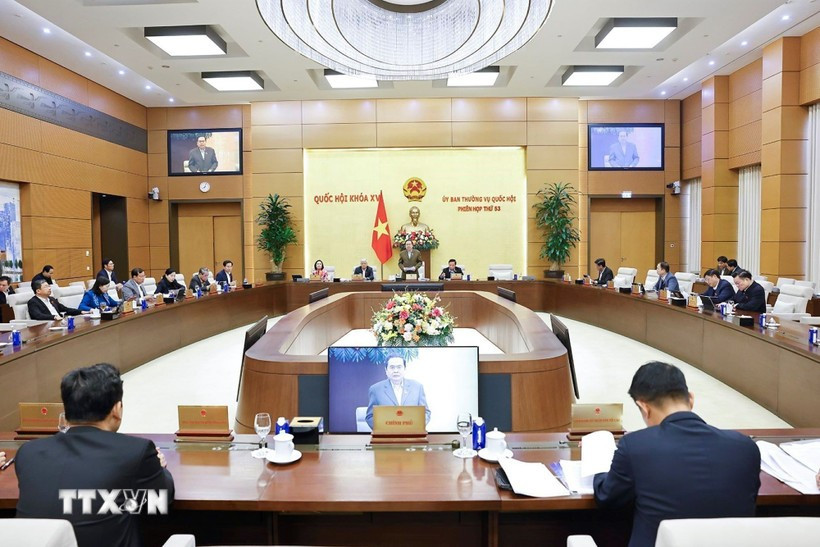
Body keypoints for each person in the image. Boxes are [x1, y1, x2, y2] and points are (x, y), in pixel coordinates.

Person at [593, 361, 760, 547]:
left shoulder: (635, 447)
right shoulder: (745, 447)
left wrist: (598, 468)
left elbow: (607, 498)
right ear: (691, 399)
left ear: (644, 407)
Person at [14, 363, 175, 547]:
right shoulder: (135, 452)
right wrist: (160, 467)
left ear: (66, 411)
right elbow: (160, 501)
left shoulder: (28, 453)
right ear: (117, 409)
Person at [365, 356, 430, 430]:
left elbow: (426, 412)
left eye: (399, 367)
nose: (396, 370)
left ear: (404, 369)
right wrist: (386, 429)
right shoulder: (375, 389)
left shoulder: (417, 387)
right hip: (387, 436)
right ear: (386, 370)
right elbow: (370, 417)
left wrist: (416, 426)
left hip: (412, 435)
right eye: (392, 367)